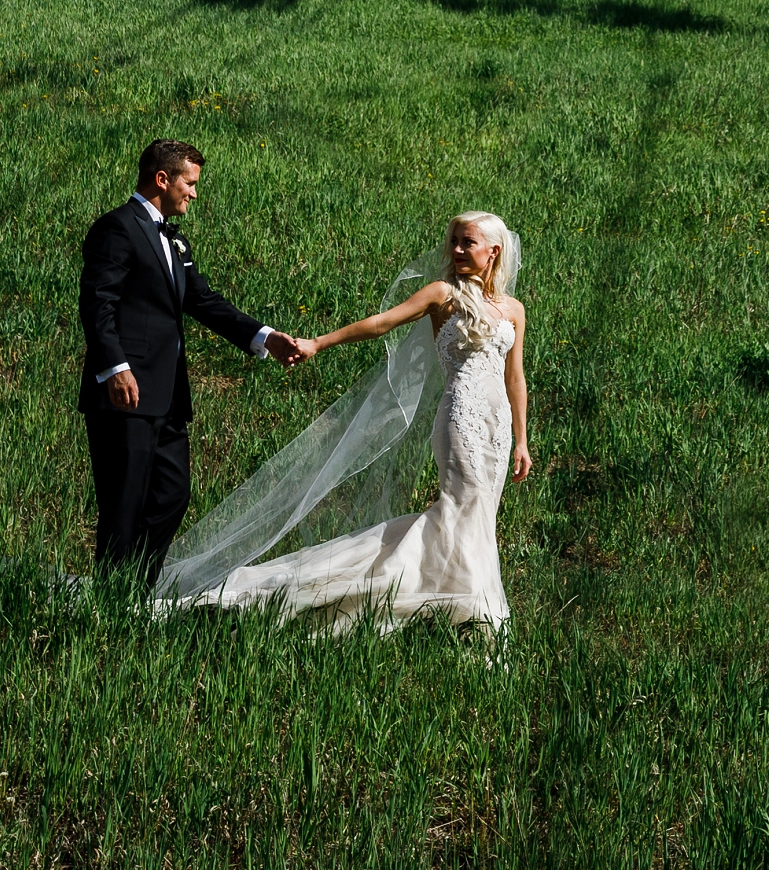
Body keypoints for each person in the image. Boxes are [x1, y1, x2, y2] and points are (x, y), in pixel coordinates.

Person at [160, 211, 530, 631]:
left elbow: (514, 377)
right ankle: (470, 609)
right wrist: (318, 342)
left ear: (493, 251)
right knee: (461, 503)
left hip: (497, 428)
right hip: (460, 418)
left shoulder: (513, 309)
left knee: (479, 512)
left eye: (468, 243)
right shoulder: (442, 294)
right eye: (455, 242)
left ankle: (455, 598)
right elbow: (379, 324)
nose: (458, 250)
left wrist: (521, 440)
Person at [78, 139, 309, 582]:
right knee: (123, 502)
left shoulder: (174, 239)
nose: (195, 193)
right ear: (162, 179)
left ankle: (135, 588)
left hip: (166, 396)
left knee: (172, 493)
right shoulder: (116, 228)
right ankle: (111, 602)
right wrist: (115, 367)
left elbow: (202, 301)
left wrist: (264, 337)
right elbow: (97, 303)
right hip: (124, 392)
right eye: (190, 182)